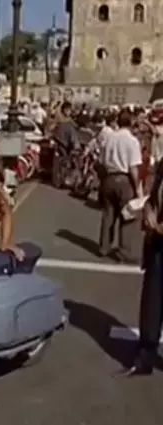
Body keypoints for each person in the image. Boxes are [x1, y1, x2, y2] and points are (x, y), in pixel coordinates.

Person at [118, 159, 163, 376]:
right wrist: (148, 212)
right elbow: (152, 198)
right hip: (157, 246)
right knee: (152, 303)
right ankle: (145, 356)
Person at [98, 109, 142, 262]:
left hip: (109, 178)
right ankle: (124, 251)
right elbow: (133, 168)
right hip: (124, 180)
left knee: (108, 214)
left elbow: (101, 161)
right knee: (127, 216)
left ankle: (104, 247)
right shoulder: (132, 141)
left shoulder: (109, 138)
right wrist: (138, 188)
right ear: (131, 122)